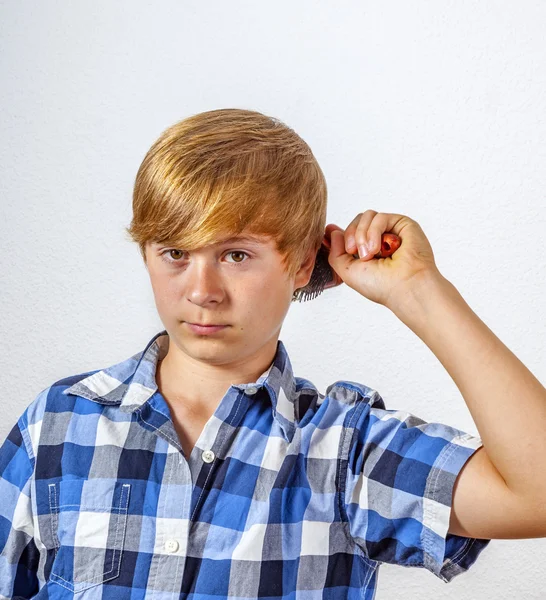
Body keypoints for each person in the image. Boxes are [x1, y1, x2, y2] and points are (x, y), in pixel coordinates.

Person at [1, 108, 544, 598]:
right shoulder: (58, 423)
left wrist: (421, 292)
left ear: (303, 264)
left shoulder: (343, 451)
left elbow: (534, 494)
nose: (201, 290)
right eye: (174, 252)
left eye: (236, 254)